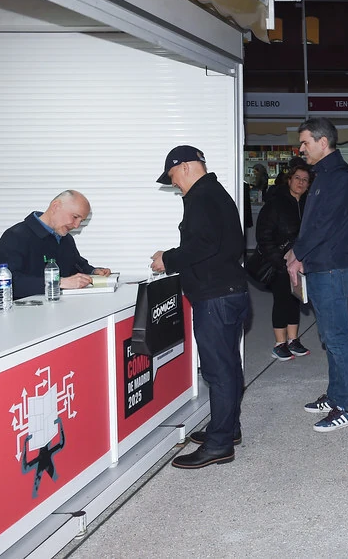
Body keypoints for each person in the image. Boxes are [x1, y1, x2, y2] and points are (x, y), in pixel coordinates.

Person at [150, 146, 250, 470]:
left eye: (173, 176)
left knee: (218, 373)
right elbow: (219, 244)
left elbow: (204, 245)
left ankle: (219, 444)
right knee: (229, 368)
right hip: (229, 292)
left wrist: (168, 258)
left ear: (187, 167)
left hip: (215, 297)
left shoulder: (203, 197)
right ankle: (227, 428)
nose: (174, 183)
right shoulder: (214, 194)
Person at [286, 118, 348, 433]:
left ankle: (346, 407)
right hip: (322, 267)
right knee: (330, 339)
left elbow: (323, 225)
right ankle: (335, 395)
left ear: (323, 142)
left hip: (331, 269)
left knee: (338, 340)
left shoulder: (340, 178)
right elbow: (314, 223)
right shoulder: (326, 175)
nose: (301, 148)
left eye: (305, 142)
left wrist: (298, 252)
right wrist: (297, 252)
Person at [0, 190, 112, 299]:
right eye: (75, 217)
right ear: (55, 206)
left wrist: (93, 272)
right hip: (21, 312)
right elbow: (11, 283)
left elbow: (76, 264)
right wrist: (59, 282)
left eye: (81, 221)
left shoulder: (65, 238)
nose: (76, 225)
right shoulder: (15, 236)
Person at [255, 166, 311, 361]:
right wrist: (279, 261)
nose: (301, 182)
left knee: (295, 299)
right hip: (279, 262)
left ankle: (293, 340)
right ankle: (280, 343)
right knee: (281, 301)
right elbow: (263, 236)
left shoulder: (308, 204)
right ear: (289, 180)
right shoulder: (275, 204)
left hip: (301, 262)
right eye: (297, 178)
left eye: (305, 179)